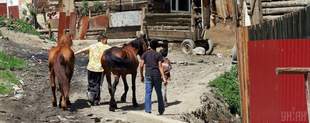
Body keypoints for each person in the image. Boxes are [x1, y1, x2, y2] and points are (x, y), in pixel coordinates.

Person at [75, 33, 111, 105]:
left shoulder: (92, 46)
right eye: (106, 39)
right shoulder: (107, 47)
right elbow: (115, 49)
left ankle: (91, 96)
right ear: (102, 39)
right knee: (98, 84)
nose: (107, 41)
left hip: (90, 67)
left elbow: (82, 50)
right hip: (100, 69)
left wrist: (74, 53)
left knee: (91, 82)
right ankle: (96, 100)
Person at [139, 40, 167, 115]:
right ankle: (161, 110)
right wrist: (164, 78)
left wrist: (141, 75)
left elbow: (141, 65)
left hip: (148, 75)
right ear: (156, 47)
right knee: (159, 93)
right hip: (157, 75)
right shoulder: (158, 55)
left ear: (150, 46)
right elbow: (160, 66)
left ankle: (148, 110)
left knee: (148, 93)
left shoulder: (144, 54)